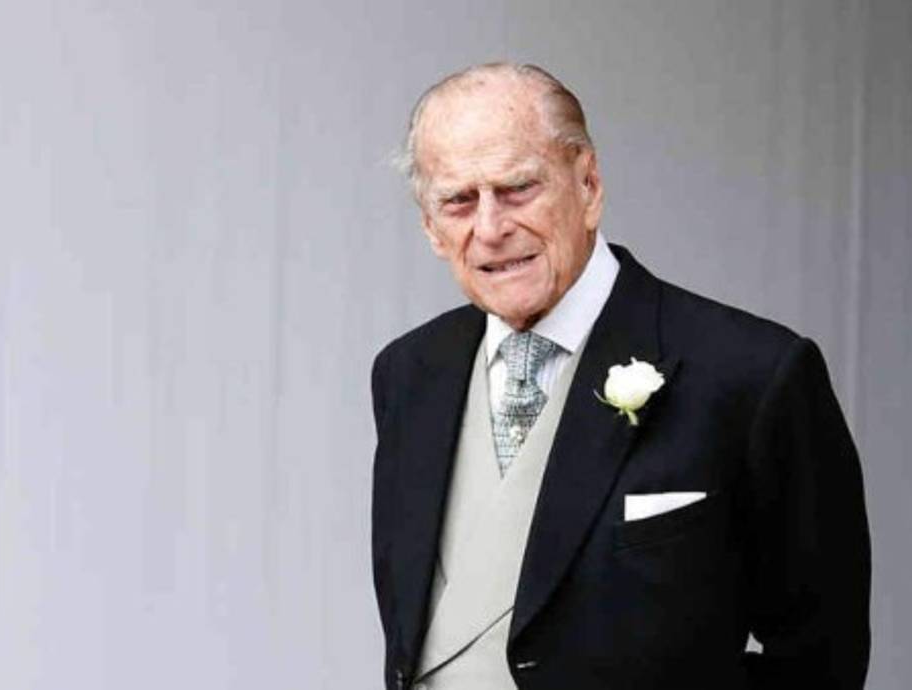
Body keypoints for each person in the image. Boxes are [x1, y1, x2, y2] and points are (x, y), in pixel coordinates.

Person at [369, 62, 870, 690]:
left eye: (518, 188)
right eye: (459, 201)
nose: (491, 229)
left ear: (588, 183)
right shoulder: (408, 374)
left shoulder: (753, 374)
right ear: (430, 228)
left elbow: (821, 659)